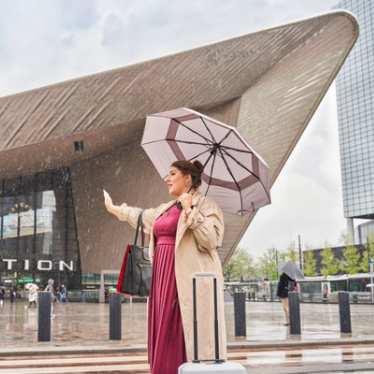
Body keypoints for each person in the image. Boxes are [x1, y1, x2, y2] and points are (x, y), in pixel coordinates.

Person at [104, 160, 226, 374]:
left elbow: (211, 240)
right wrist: (115, 209)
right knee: (164, 327)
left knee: (182, 328)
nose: (166, 178)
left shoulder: (207, 205)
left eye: (172, 173)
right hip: (162, 277)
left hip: (185, 281)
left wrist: (191, 210)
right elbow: (141, 216)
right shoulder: (167, 208)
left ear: (187, 178)